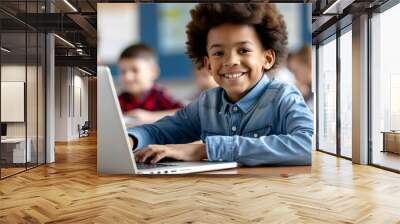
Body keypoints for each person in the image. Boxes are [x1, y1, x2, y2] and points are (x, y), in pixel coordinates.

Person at [128, 3, 314, 166]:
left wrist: (204, 150)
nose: (231, 61)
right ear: (208, 64)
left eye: (243, 50)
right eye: (218, 53)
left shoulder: (283, 96)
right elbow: (159, 132)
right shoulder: (206, 103)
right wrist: (130, 140)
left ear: (267, 58)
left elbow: (307, 145)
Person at [118, 43, 183, 124]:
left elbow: (183, 113)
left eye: (135, 70)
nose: (128, 77)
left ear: (153, 71)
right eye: (123, 72)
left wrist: (150, 116)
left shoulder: (160, 95)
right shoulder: (120, 99)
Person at [287, 45, 313, 111]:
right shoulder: (307, 91)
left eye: (295, 71)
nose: (295, 77)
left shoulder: (317, 90)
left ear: (307, 65)